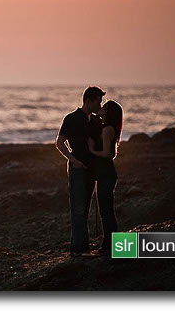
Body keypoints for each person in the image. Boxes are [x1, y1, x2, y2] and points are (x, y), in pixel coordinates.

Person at [55, 86, 105, 256]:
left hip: (92, 169)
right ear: (89, 101)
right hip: (77, 169)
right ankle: (79, 249)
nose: (100, 105)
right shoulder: (71, 118)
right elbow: (60, 142)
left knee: (85, 208)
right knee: (78, 209)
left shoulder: (96, 121)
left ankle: (82, 247)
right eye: (98, 101)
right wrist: (72, 159)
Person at [87, 100, 123, 256]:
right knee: (106, 209)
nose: (100, 108)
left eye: (104, 107)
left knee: (106, 210)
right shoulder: (107, 128)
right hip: (105, 173)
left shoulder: (108, 129)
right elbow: (112, 153)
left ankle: (109, 246)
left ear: (109, 112)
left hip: (106, 173)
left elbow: (107, 154)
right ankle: (109, 245)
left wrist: (91, 150)